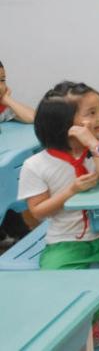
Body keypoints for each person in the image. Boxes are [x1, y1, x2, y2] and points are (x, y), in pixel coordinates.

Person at [17, 81, 99, 346]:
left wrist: (92, 144)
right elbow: (38, 212)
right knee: (59, 289)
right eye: (91, 113)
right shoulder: (36, 165)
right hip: (67, 241)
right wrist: (70, 191)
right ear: (64, 124)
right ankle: (93, 320)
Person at [0, 59, 35, 246]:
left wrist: (8, 100)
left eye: (3, 80)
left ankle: (15, 232)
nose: (1, 86)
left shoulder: (2, 109)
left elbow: (33, 118)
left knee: (8, 180)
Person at [0, 59, 36, 123]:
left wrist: (7, 99)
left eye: (2, 80)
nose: (0, 87)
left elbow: (34, 117)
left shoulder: (3, 109)